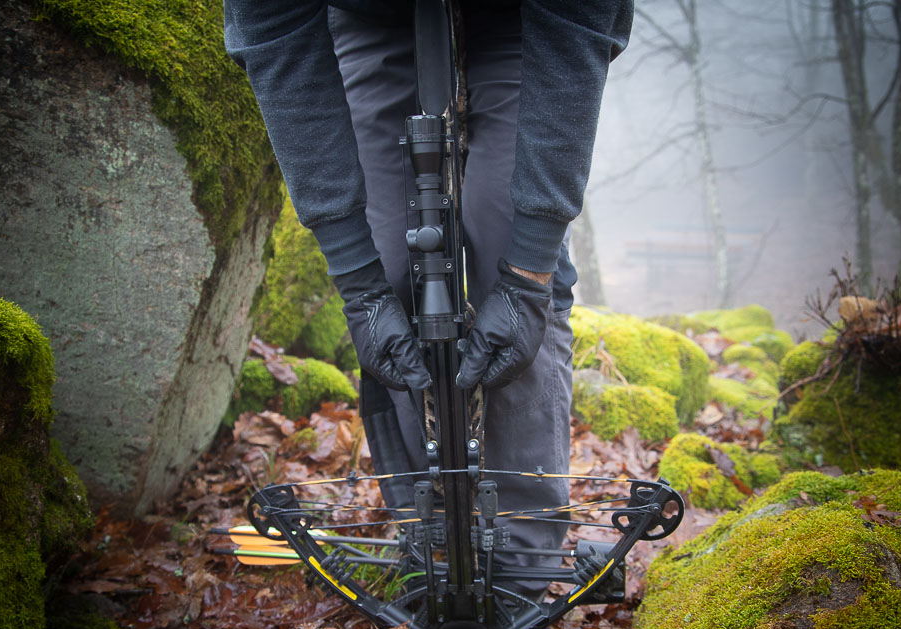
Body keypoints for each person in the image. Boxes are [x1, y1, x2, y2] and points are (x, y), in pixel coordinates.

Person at [224, 1, 630, 594]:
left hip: (525, 17)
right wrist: (359, 284)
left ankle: (520, 560)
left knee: (505, 235)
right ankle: (431, 539)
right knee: (387, 260)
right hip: (369, 15)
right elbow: (275, 32)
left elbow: (579, 24)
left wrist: (528, 274)